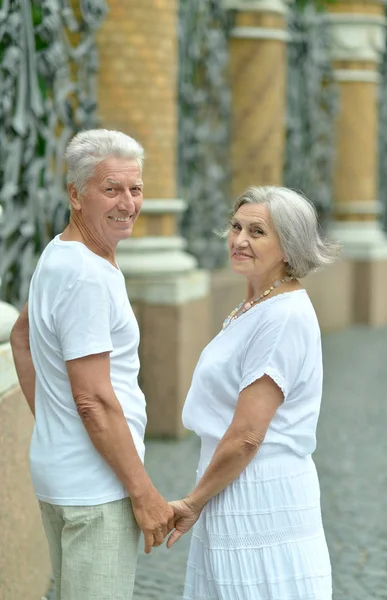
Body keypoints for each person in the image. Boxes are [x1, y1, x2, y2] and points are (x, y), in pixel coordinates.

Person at [10, 129, 174, 600]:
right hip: (96, 489)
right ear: (75, 195)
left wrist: (55, 423)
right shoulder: (85, 275)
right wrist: (144, 495)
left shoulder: (60, 254)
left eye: (135, 189)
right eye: (111, 189)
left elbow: (22, 338)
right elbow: (93, 400)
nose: (128, 203)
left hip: (67, 473)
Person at [166, 186, 338, 600]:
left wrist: (193, 503)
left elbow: (247, 435)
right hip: (232, 483)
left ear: (287, 246)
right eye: (236, 226)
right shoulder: (257, 306)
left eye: (257, 231)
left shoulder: (282, 316)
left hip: (258, 492)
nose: (239, 239)